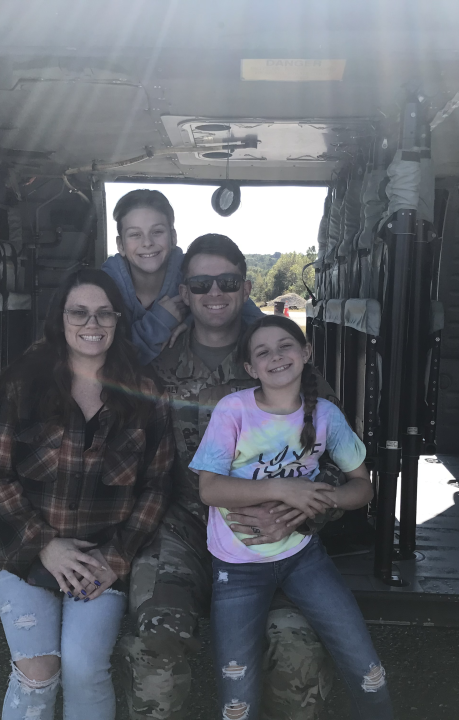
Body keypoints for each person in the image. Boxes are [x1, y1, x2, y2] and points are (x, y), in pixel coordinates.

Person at [116, 234, 340, 720]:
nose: (213, 293)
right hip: (183, 531)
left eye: (227, 281)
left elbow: (340, 469)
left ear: (245, 286)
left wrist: (296, 520)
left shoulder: (284, 362)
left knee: (298, 645)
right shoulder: (159, 372)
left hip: (272, 535)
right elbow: (134, 466)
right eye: (200, 283)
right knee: (157, 635)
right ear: (185, 291)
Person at [0, 268, 175, 720]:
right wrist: (44, 546)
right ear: (60, 319)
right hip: (23, 552)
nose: (92, 323)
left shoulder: (146, 391)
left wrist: (117, 558)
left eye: (105, 313)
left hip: (101, 558)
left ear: (118, 320)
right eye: (79, 312)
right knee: (39, 672)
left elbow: (158, 485)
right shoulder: (22, 382)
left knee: (85, 668)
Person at [191, 315, 393, 720]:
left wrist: (324, 498)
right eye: (262, 352)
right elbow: (209, 489)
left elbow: (362, 487)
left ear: (306, 353)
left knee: (367, 669)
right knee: (237, 698)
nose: (276, 357)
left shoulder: (326, 417)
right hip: (237, 567)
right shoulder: (233, 410)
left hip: (304, 558)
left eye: (285, 346)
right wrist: (284, 489)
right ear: (250, 369)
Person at [102, 188, 262, 363]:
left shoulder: (197, 272)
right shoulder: (104, 287)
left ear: (173, 237)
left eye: (157, 232)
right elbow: (104, 355)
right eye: (135, 234)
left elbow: (251, 317)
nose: (147, 242)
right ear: (120, 245)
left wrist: (195, 320)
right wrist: (159, 323)